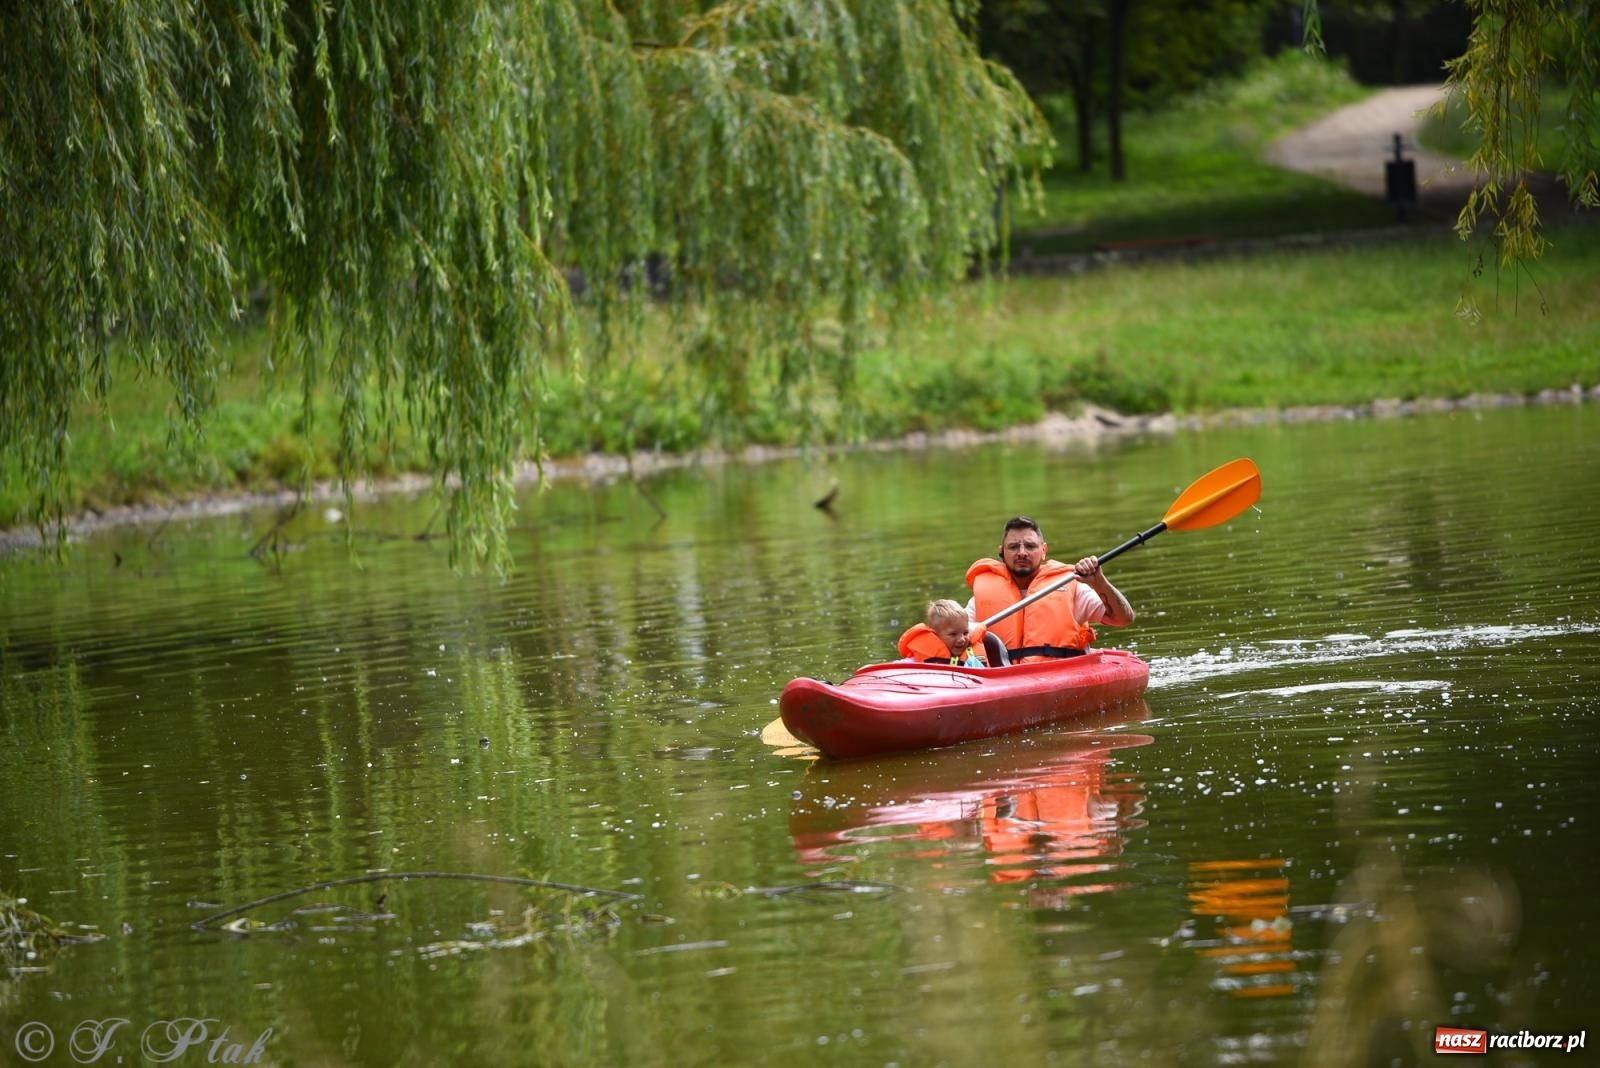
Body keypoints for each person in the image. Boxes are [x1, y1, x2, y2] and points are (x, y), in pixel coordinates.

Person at [965, 516, 1134, 662]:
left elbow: (1123, 619)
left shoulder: (1070, 586)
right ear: (1002, 552)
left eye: (1030, 546)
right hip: (1004, 678)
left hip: (1059, 673)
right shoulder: (981, 599)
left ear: (1044, 550)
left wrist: (1099, 582)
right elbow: (955, 639)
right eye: (1013, 547)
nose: (1022, 552)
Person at [897, 598, 987, 666]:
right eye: (953, 634)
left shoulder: (974, 658)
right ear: (935, 635)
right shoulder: (918, 659)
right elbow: (897, 668)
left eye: (965, 633)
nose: (961, 639)